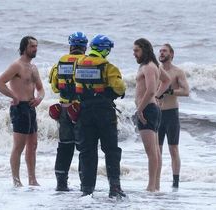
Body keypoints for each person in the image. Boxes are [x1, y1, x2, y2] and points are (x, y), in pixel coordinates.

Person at [74, 34, 126, 198]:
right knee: (111, 150)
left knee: (87, 151)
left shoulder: (79, 63)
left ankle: (87, 190)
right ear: (105, 49)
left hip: (84, 111)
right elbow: (119, 88)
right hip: (103, 111)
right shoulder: (108, 66)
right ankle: (115, 189)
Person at [0, 36, 44, 187]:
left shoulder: (33, 68)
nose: (35, 49)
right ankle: (16, 180)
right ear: (24, 48)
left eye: (36, 46)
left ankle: (32, 179)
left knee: (33, 145)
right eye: (32, 46)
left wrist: (39, 98)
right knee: (19, 146)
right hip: (19, 108)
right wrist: (13, 95)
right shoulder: (17, 66)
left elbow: (41, 88)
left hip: (30, 108)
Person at [48, 32, 88, 191]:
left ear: (71, 46)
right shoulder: (87, 62)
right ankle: (84, 184)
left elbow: (55, 86)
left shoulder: (60, 63)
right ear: (85, 47)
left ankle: (61, 184)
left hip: (64, 110)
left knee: (64, 147)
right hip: (82, 110)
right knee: (84, 148)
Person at [133, 38, 170, 192]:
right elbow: (166, 81)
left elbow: (149, 90)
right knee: (155, 150)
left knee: (151, 152)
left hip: (147, 110)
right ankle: (156, 185)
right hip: (151, 108)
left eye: (136, 50)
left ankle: (151, 186)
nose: (134, 53)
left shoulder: (148, 67)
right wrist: (157, 96)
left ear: (144, 50)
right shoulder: (153, 65)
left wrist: (140, 109)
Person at [156, 43, 189, 188]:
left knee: (173, 148)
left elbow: (186, 91)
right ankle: (155, 180)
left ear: (172, 54)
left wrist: (170, 92)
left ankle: (175, 182)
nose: (161, 53)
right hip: (157, 114)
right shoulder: (155, 70)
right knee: (157, 150)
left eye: (165, 51)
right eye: (160, 51)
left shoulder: (177, 72)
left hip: (171, 114)